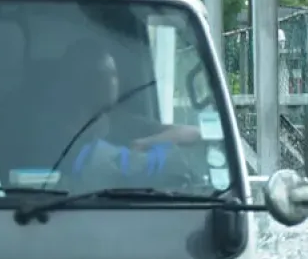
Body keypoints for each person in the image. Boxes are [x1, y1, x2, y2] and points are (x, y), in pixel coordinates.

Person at [54, 38, 201, 182]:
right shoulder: (58, 133)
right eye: (99, 74)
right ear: (78, 80)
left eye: (113, 74)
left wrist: (146, 143)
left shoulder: (124, 123)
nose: (110, 82)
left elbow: (192, 133)